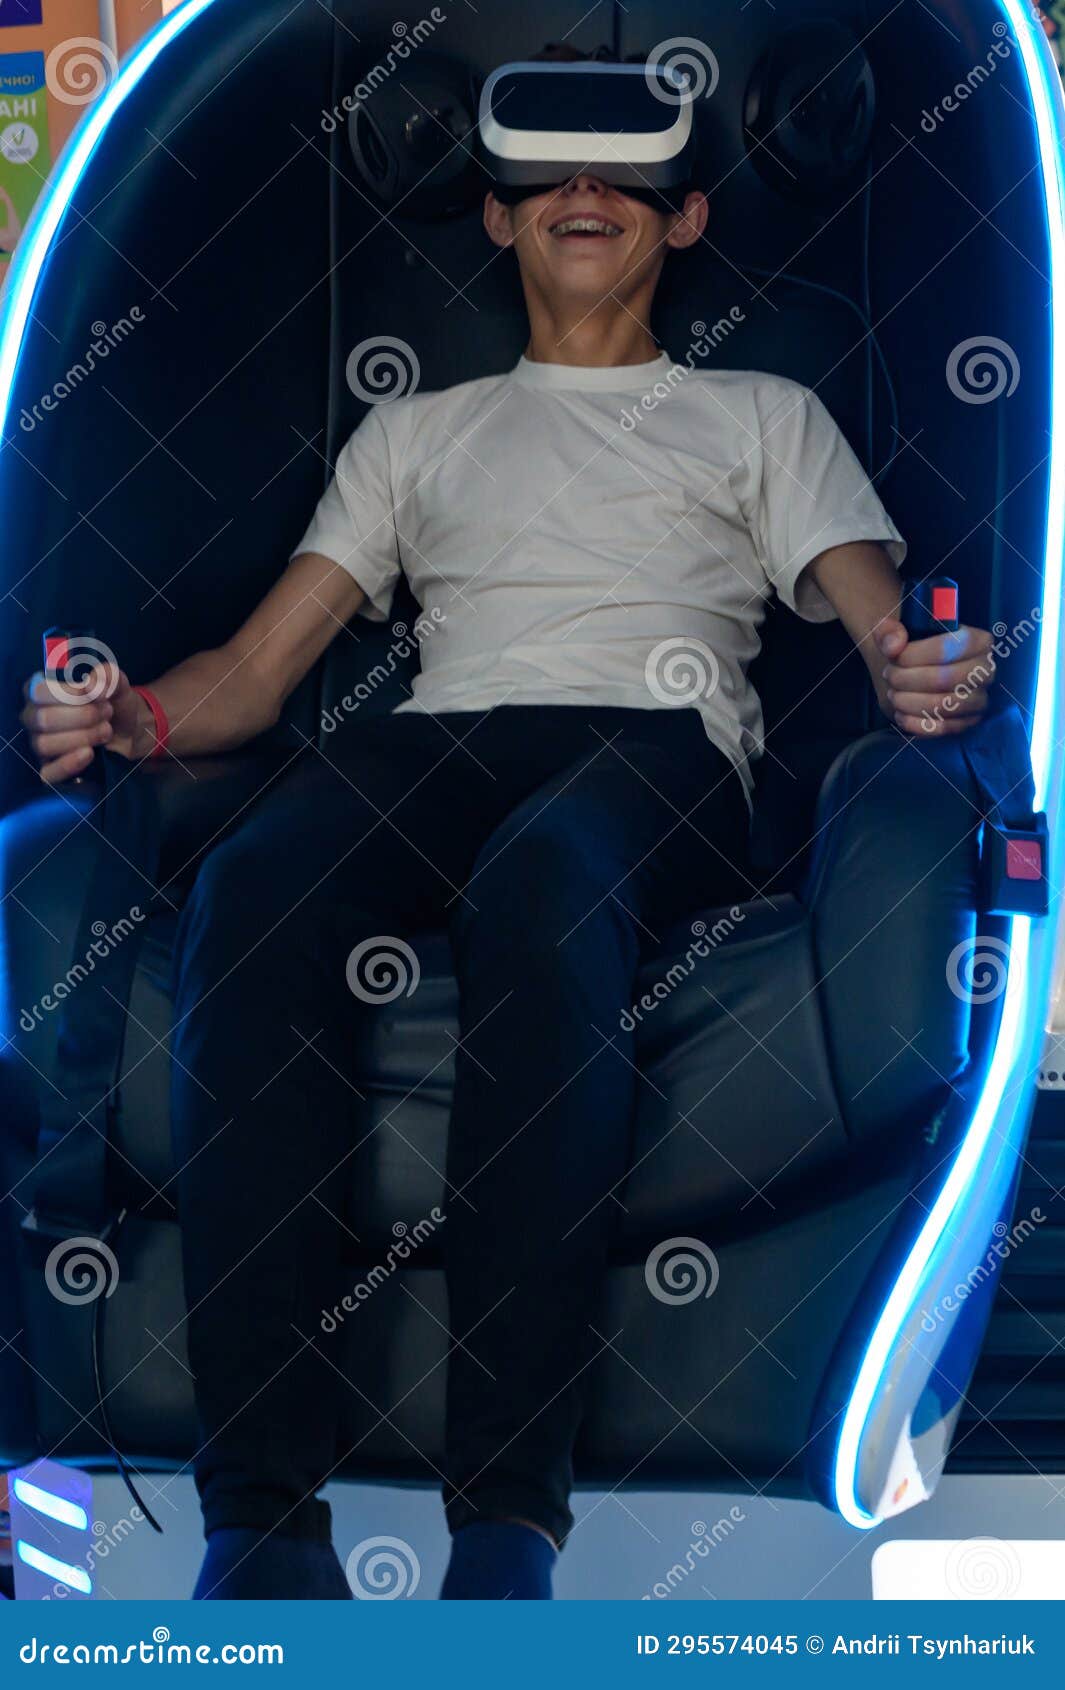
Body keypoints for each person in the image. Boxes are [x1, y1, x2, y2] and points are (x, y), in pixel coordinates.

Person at [20, 116, 997, 1601]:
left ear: (682, 222)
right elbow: (254, 675)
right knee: (261, 879)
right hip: (443, 738)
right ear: (496, 219)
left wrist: (928, 667)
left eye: (627, 177)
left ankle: (506, 1522)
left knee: (542, 883)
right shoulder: (419, 429)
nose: (586, 194)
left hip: (658, 744)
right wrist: (126, 713)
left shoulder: (756, 410)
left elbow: (883, 636)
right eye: (550, 176)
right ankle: (266, 1526)